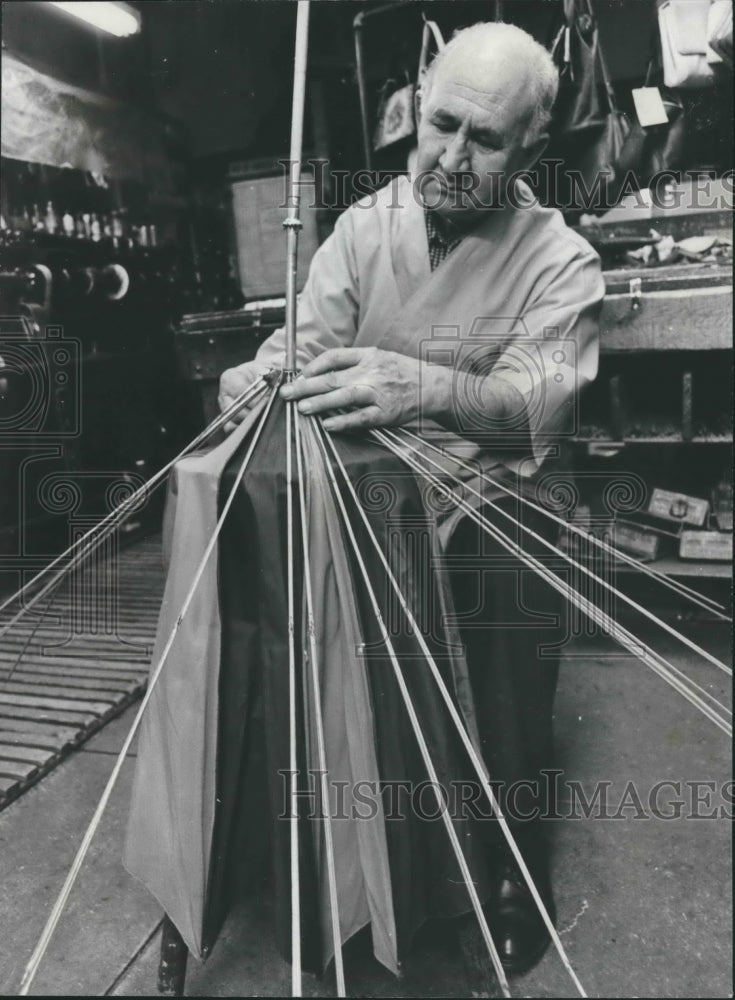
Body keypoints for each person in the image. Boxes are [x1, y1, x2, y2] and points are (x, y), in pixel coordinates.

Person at [214, 19, 605, 978]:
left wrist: (423, 386)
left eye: (484, 140)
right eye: (439, 126)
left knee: (502, 575)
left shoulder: (561, 261)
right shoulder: (362, 227)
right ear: (415, 111)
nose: (451, 157)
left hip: (487, 500)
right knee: (263, 539)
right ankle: (346, 846)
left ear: (531, 151)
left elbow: (527, 416)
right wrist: (260, 374)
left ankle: (512, 863)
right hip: (374, 500)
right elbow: (303, 344)